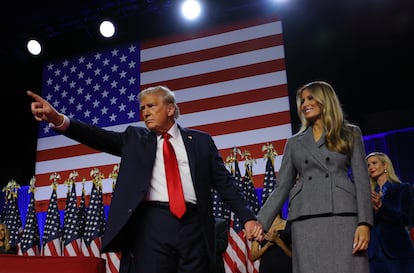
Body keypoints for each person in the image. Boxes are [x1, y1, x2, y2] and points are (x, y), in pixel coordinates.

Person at [27, 85, 263, 273]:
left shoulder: (200, 141)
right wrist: (58, 119)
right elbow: (97, 136)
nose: (145, 112)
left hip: (195, 226)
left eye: (151, 106)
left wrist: (248, 218)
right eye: (142, 108)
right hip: (152, 225)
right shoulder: (134, 138)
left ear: (170, 109)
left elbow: (224, 183)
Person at [256, 81, 373, 273]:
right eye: (302, 101)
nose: (304, 104)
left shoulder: (350, 133)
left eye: (310, 98)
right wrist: (260, 222)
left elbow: (362, 182)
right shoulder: (294, 143)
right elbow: (282, 187)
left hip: (343, 216)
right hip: (306, 219)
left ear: (325, 99)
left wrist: (364, 223)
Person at [366, 151, 414, 273]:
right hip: (374, 253)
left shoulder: (403, 188)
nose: (371, 167)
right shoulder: (366, 195)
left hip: (398, 251)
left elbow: (405, 220)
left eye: (374, 163)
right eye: (368, 165)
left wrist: (382, 207)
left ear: (385, 165)